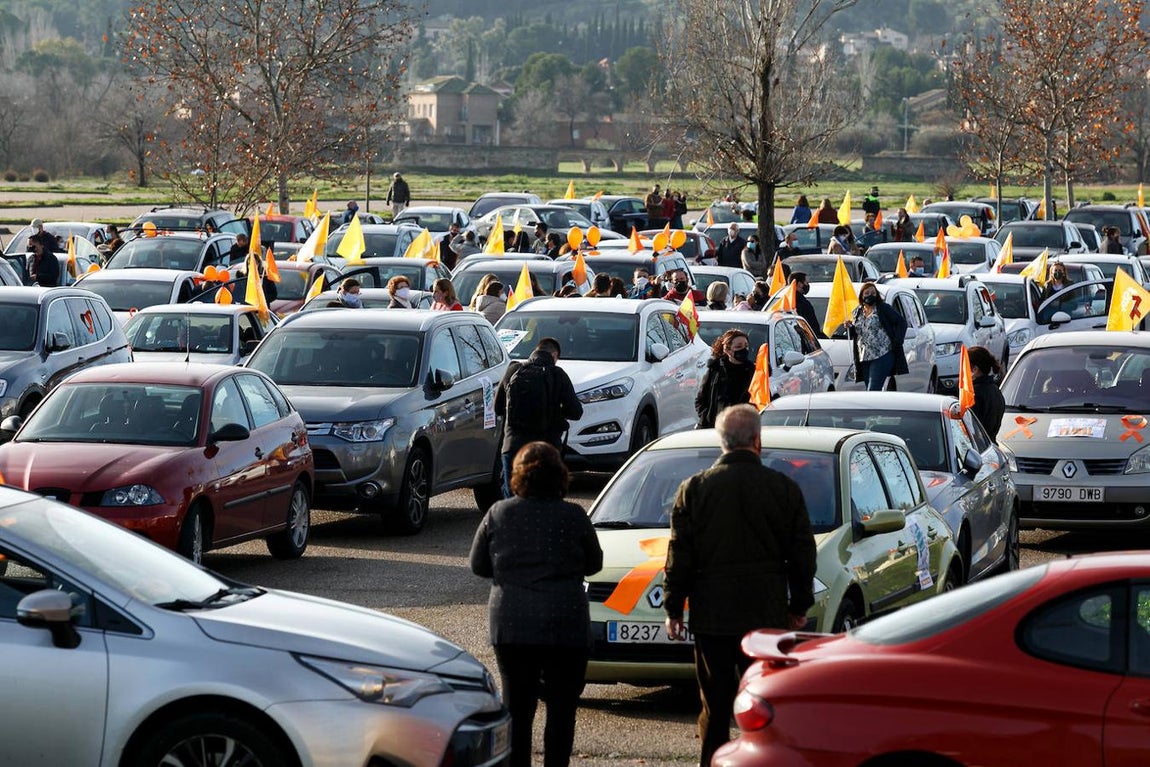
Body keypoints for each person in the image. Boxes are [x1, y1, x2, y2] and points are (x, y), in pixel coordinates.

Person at [664, 404, 817, 767]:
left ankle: (713, 761)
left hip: (712, 614)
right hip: (765, 613)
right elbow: (801, 553)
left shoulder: (695, 489)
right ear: (757, 441)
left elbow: (680, 555)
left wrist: (674, 607)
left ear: (722, 443)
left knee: (715, 706)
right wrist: (799, 604)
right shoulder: (783, 489)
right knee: (765, 700)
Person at [469, 441, 603, 767]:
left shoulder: (499, 513)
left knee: (517, 710)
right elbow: (594, 563)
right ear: (560, 474)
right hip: (565, 624)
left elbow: (479, 565)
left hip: (513, 624)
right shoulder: (573, 516)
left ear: (517, 476)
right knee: (562, 710)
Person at [494, 338, 583, 499]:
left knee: (512, 499)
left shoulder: (513, 370)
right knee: (546, 498)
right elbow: (576, 412)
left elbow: (497, 408)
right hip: (546, 449)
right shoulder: (558, 375)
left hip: (513, 446)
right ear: (554, 355)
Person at [847, 281, 908, 391]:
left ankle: (872, 408)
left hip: (882, 354)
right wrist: (849, 327)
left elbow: (901, 323)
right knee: (869, 390)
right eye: (867, 293)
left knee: (873, 389)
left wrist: (897, 342)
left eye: (873, 293)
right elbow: (858, 332)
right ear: (861, 295)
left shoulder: (883, 308)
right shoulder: (858, 311)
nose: (870, 295)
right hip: (864, 356)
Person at [694, 330, 754, 427]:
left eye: (746, 346)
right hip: (714, 427)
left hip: (742, 428)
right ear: (727, 350)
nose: (744, 349)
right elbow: (701, 398)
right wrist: (705, 418)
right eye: (738, 347)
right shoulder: (715, 369)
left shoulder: (753, 371)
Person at [968, 345, 1005, 437]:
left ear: (974, 369)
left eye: (965, 368)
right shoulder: (995, 390)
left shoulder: (975, 393)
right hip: (990, 444)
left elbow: (972, 429)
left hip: (979, 447)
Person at [790, 271, 825, 338]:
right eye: (806, 283)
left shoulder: (782, 300)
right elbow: (812, 327)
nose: (807, 285)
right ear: (800, 284)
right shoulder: (803, 303)